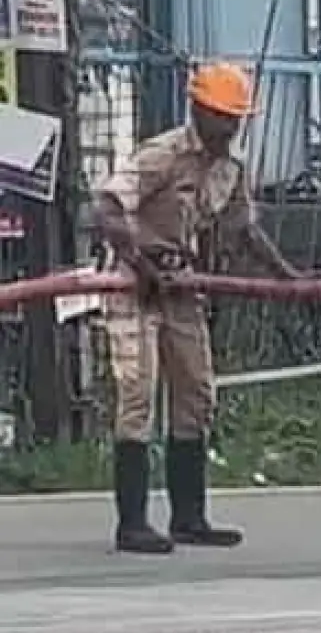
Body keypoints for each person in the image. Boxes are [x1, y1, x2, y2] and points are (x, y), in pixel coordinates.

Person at [94, 63, 302, 554]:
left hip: (183, 285)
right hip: (132, 282)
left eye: (236, 118)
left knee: (196, 393)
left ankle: (190, 517)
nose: (230, 128)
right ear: (198, 111)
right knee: (137, 396)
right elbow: (106, 205)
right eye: (222, 117)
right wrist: (140, 263)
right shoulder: (163, 155)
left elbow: (244, 229)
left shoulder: (231, 168)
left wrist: (290, 278)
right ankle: (133, 523)